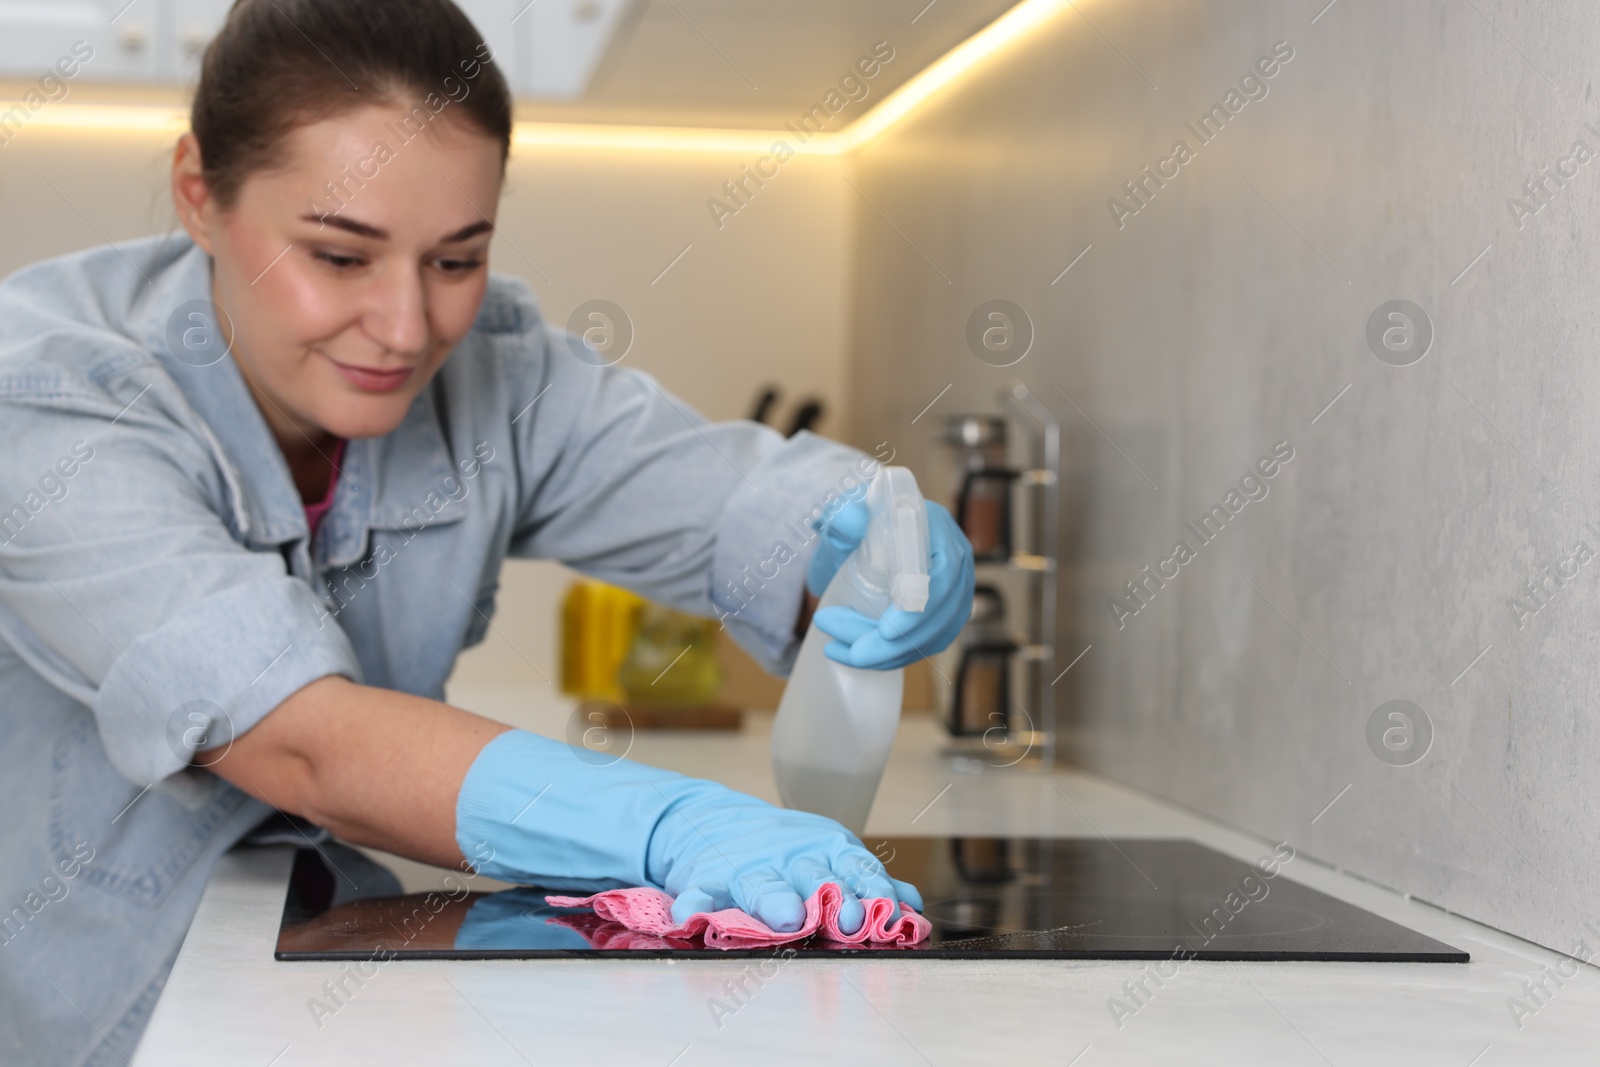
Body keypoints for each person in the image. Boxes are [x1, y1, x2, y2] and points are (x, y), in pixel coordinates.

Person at [0, 1, 975, 1063]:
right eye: (338, 255)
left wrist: (862, 543)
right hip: (81, 1009)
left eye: (456, 260)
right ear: (199, 191)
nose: (407, 328)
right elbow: (302, 740)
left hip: (323, 972)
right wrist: (660, 827)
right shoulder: (47, 392)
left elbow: (725, 504)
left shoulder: (497, 369)